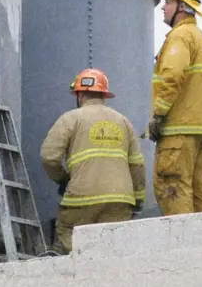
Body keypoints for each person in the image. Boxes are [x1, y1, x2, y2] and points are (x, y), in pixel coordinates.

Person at [39, 69, 145, 254]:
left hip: (82, 198)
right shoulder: (123, 121)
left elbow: (49, 157)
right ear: (104, 94)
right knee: (111, 250)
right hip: (119, 199)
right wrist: (138, 198)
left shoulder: (70, 119)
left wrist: (63, 179)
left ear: (79, 95)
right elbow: (137, 164)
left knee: (68, 235)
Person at [148, 0, 202, 215]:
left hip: (179, 128)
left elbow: (173, 76)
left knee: (173, 187)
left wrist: (158, 114)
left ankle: (182, 246)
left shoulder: (180, 36)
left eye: (168, 1)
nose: (163, 6)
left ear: (182, 7)